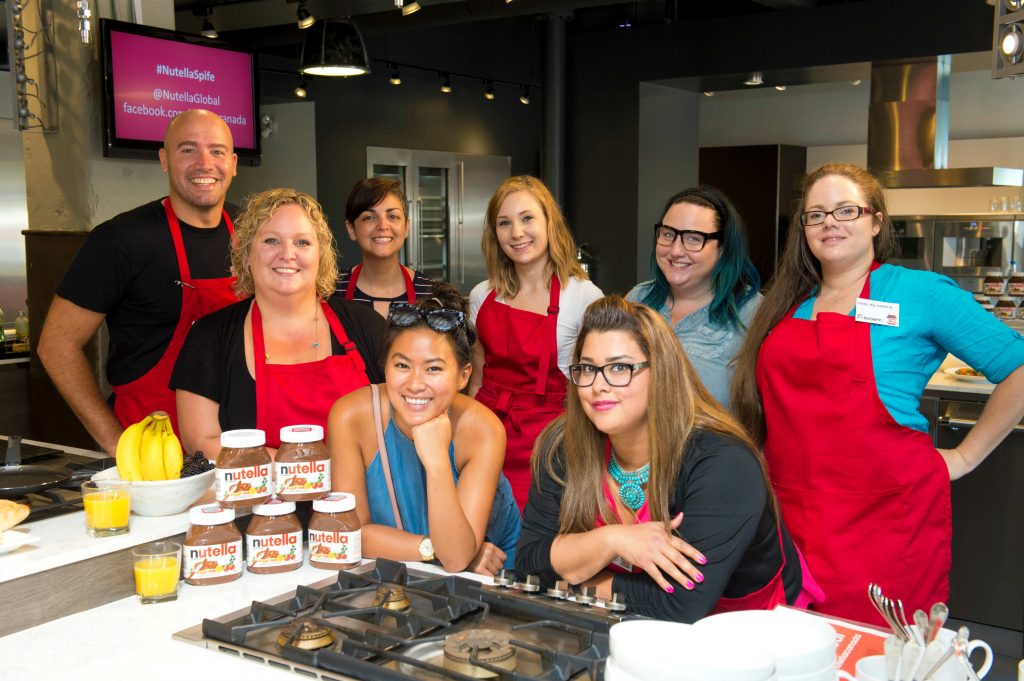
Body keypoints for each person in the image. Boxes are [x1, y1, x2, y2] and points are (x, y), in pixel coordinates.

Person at [731, 162, 1024, 625]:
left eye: (846, 210)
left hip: (887, 522)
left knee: (876, 656)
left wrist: (965, 457)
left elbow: (1018, 368)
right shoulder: (786, 301)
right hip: (791, 515)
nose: (830, 222)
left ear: (876, 221)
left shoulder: (920, 293)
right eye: (816, 214)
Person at [516, 295, 804, 622]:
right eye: (588, 369)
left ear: (661, 373)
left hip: (748, 631)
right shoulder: (562, 447)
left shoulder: (724, 464)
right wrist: (612, 540)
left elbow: (681, 604)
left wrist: (573, 579)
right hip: (628, 626)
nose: (598, 385)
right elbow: (528, 564)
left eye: (619, 368)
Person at [38, 109, 239, 454]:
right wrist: (118, 447)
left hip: (236, 445)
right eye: (188, 150)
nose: (205, 163)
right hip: (152, 454)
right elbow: (56, 346)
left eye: (217, 151)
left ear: (233, 163)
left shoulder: (254, 232)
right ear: (164, 160)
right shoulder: (121, 239)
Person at [171, 188, 385, 458]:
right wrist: (303, 465)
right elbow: (200, 441)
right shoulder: (211, 336)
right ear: (247, 254)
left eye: (303, 242)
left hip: (358, 497)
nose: (287, 254)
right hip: (254, 496)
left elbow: (401, 418)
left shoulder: (365, 325)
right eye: (271, 241)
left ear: (321, 256)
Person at [328, 285, 521, 576]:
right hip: (391, 572)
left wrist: (437, 461)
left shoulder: (483, 430)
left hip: (490, 574)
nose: (415, 384)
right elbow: (350, 535)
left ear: (463, 376)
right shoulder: (350, 417)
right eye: (402, 365)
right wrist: (433, 549)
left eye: (433, 369)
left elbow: (456, 559)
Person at [469, 175, 603, 510]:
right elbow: (476, 375)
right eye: (504, 223)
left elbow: (595, 384)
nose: (516, 233)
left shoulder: (583, 296)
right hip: (486, 434)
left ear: (549, 222)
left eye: (527, 218)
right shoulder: (481, 294)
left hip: (551, 444)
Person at [626, 185, 761, 409]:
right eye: (668, 234)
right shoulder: (638, 298)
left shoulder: (752, 311)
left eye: (693, 238)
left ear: (723, 248)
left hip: (709, 443)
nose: (676, 250)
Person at [338, 178, 434, 317]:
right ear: (352, 229)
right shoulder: (330, 292)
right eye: (369, 217)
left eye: (393, 216)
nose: (382, 226)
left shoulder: (430, 293)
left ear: (406, 227)